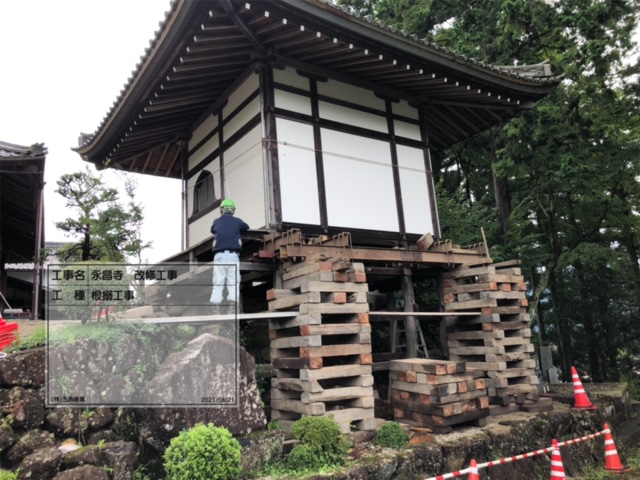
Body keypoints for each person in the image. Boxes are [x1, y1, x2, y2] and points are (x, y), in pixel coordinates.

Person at [209, 199, 249, 314]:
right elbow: (246, 227)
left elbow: (212, 230)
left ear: (221, 210)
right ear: (233, 211)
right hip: (233, 256)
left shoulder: (216, 221)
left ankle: (216, 310)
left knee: (218, 282)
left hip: (219, 255)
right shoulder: (238, 221)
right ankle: (232, 310)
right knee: (233, 282)